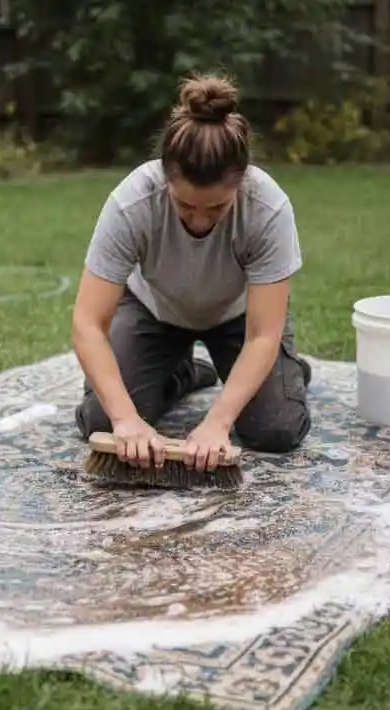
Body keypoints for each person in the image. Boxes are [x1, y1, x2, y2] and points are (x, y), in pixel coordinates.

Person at [71, 72, 313, 474]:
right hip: (155, 313)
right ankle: (183, 371)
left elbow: (263, 334)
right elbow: (86, 322)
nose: (200, 221)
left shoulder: (268, 209)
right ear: (165, 179)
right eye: (185, 206)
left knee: (278, 429)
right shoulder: (132, 203)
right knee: (101, 421)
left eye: (216, 209)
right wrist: (126, 420)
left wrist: (217, 423)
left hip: (239, 320)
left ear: (241, 183)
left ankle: (289, 375)